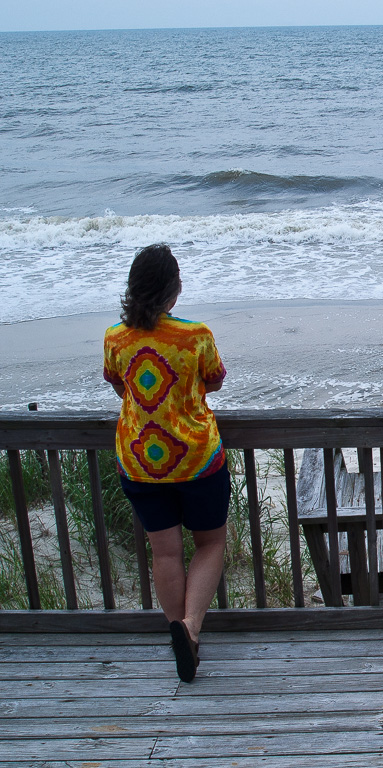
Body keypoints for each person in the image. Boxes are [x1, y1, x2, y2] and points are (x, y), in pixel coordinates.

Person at [103, 244, 229, 683]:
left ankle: (183, 641)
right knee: (210, 544)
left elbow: (118, 384)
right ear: (174, 291)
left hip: (140, 461)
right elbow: (214, 379)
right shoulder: (195, 335)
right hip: (195, 458)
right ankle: (190, 629)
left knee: (166, 551)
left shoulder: (116, 337)